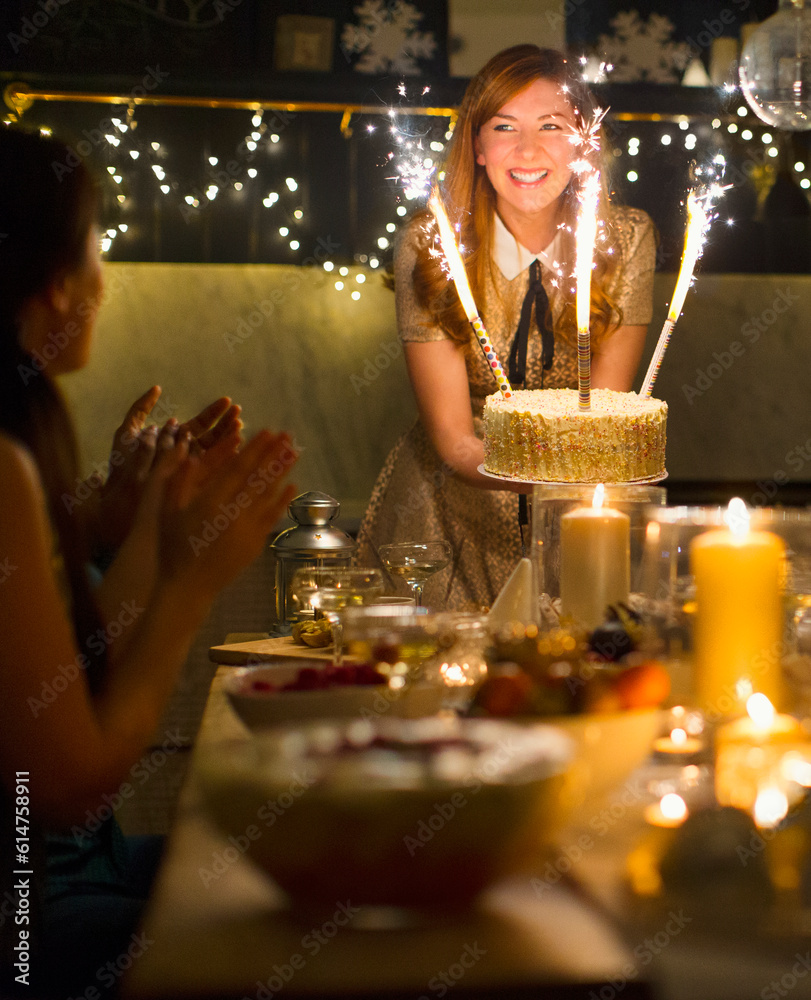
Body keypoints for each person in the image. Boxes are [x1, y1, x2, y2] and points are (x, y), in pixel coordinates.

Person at [0, 126, 298, 996]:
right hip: (27, 928)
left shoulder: (25, 438)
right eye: (99, 248)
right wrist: (192, 579)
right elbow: (67, 790)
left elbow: (72, 676)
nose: (104, 279)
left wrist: (149, 525)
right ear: (57, 283)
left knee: (296, 850)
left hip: (52, 886)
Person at [355, 45, 657, 611]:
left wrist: (563, 488)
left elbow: (605, 415)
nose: (527, 149)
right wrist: (540, 478)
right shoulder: (430, 244)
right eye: (504, 126)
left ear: (583, 143)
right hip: (446, 518)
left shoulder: (627, 239)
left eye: (551, 125)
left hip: (578, 517)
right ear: (477, 144)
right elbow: (453, 439)